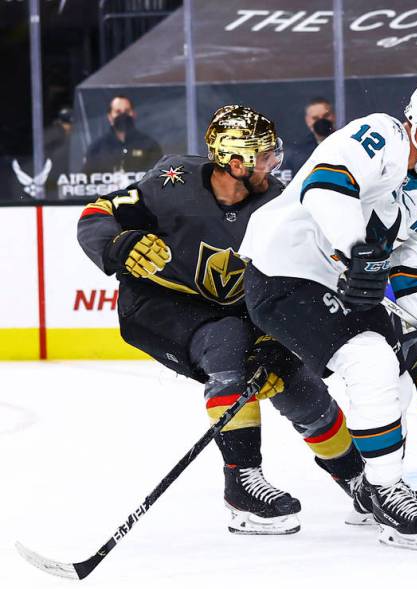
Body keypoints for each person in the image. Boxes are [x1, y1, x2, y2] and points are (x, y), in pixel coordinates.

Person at [77, 105, 367, 535]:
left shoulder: (279, 205)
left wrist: (276, 342)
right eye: (265, 155)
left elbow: (294, 287)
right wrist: (119, 244)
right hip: (158, 305)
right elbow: (94, 216)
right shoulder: (171, 181)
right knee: (228, 342)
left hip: (232, 310)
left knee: (292, 376)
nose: (274, 163)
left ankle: (359, 480)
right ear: (236, 162)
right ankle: (241, 483)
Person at [240, 78, 417, 551]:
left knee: (399, 364)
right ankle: (385, 488)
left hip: (345, 287)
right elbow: (326, 185)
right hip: (283, 275)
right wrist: (357, 252)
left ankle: (376, 485)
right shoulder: (380, 136)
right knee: (371, 358)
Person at [83, 95, 163, 176]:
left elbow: (157, 177)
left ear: (133, 114)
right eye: (118, 112)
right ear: (110, 117)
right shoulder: (97, 148)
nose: (123, 115)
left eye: (127, 111)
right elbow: (87, 179)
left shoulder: (149, 145)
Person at [283, 97, 336, 175]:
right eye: (315, 118)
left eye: (326, 116)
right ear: (308, 120)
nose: (321, 121)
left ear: (333, 116)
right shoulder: (298, 153)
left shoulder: (347, 143)